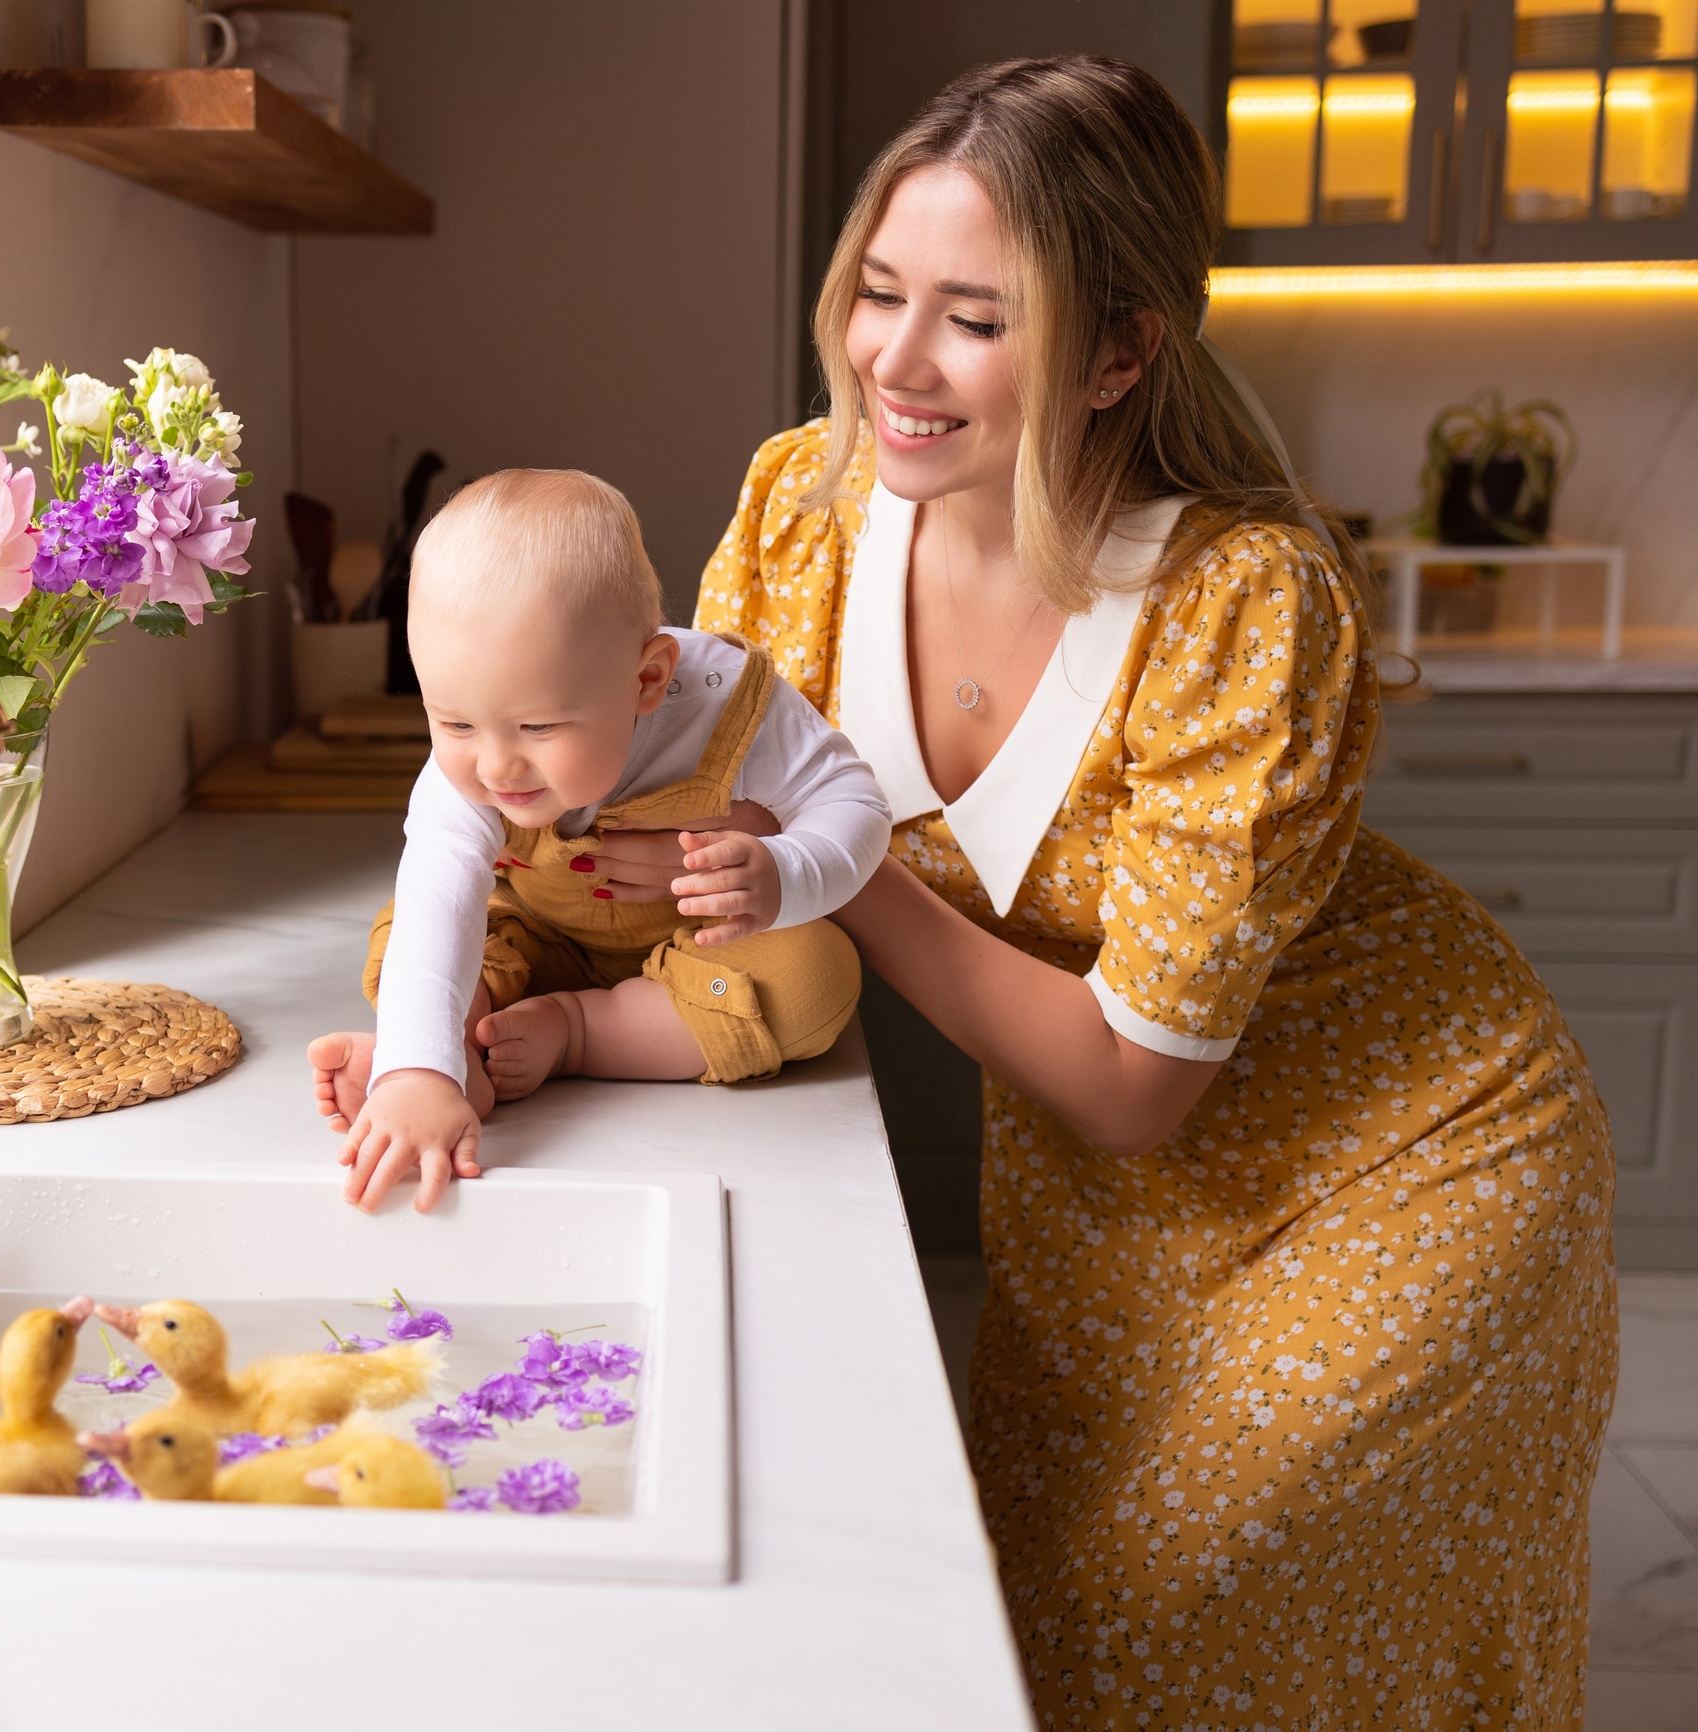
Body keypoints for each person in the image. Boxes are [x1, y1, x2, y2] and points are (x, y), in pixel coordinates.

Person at [601, 56, 1617, 1730]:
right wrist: (483, 1001)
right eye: (878, 291)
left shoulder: (1241, 598)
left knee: (1161, 1616)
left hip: (1407, 1155)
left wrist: (832, 864)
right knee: (1032, 1635)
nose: (895, 362)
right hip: (1091, 1207)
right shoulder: (806, 507)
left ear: (1122, 351)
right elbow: (674, 820)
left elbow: (1140, 1077)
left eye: (975, 320)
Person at [308, 468, 893, 1213]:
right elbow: (440, 886)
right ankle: (441, 1060)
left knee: (816, 976)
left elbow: (856, 805)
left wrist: (784, 870)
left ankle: (576, 1032)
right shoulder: (485, 746)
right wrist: (413, 1069)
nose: (493, 765)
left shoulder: (731, 706)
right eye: (454, 723)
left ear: (648, 679)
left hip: (693, 961)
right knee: (413, 936)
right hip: (534, 940)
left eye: (538, 728)